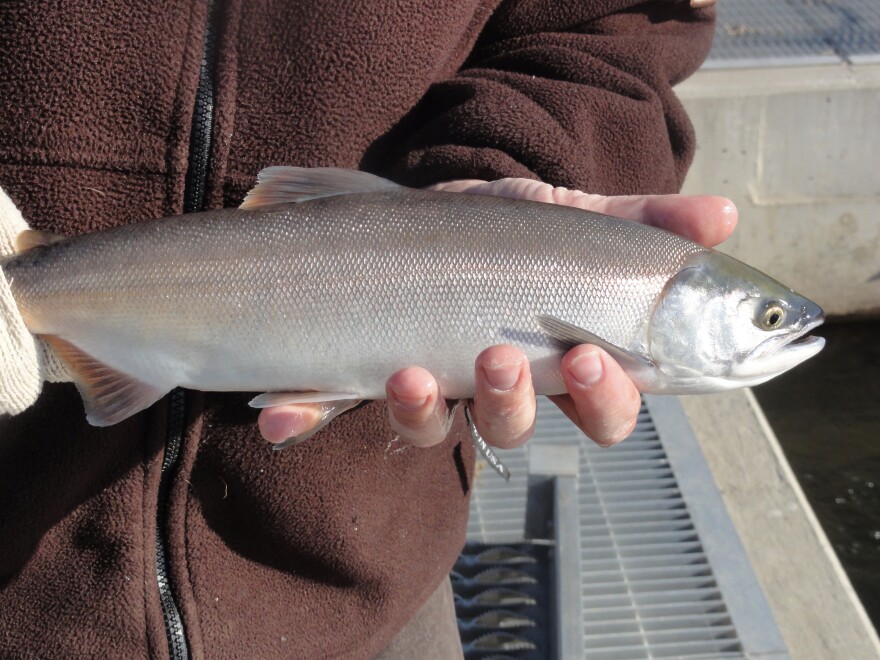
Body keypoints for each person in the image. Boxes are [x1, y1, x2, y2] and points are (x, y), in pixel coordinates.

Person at [0, 0, 726, 657]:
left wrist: (503, 174)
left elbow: (611, 28)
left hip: (369, 590)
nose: (776, 332)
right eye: (766, 320)